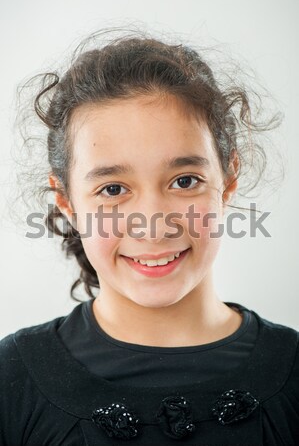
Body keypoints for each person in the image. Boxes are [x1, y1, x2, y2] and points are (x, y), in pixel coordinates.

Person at [0, 29, 298, 446]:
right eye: (113, 190)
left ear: (228, 180)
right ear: (66, 201)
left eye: (185, 180)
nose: (153, 225)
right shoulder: (10, 379)